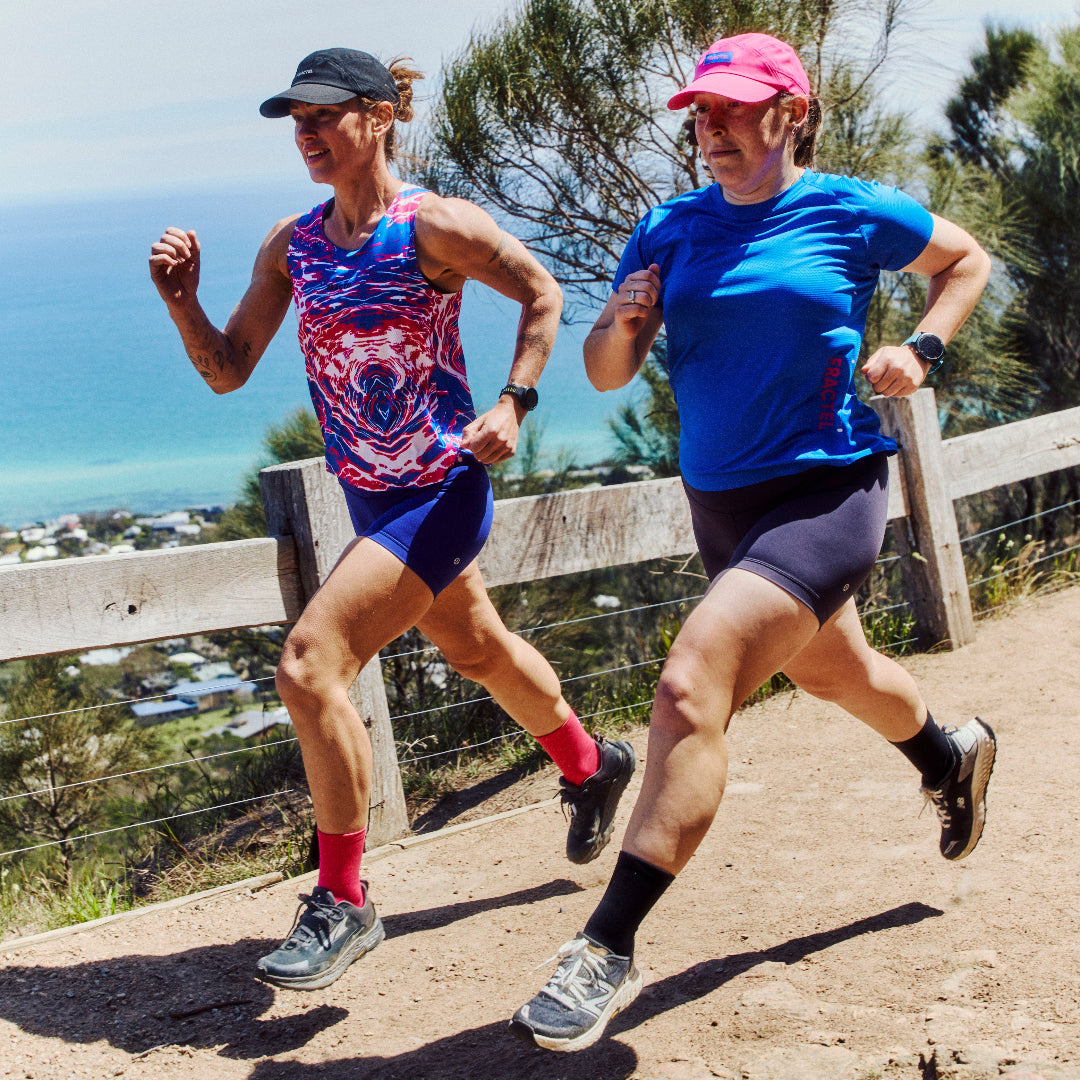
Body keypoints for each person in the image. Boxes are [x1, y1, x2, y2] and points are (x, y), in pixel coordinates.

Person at [510, 32, 996, 1052]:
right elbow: (604, 371)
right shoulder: (668, 226)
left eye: (732, 107)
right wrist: (626, 322)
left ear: (792, 113)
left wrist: (923, 348)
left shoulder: (849, 209)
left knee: (692, 685)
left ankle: (606, 946)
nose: (711, 126)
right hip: (722, 504)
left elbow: (964, 260)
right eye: (701, 111)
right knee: (836, 671)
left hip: (830, 491)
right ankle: (949, 757)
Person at [149, 48, 635, 993]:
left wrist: (515, 402)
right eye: (296, 122)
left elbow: (543, 293)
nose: (307, 135)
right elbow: (227, 368)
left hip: (440, 490)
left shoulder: (433, 228)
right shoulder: (293, 245)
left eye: (324, 116)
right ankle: (591, 764)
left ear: (380, 116)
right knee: (478, 648)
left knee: (310, 663)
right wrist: (182, 305)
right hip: (370, 496)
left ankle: (344, 900)